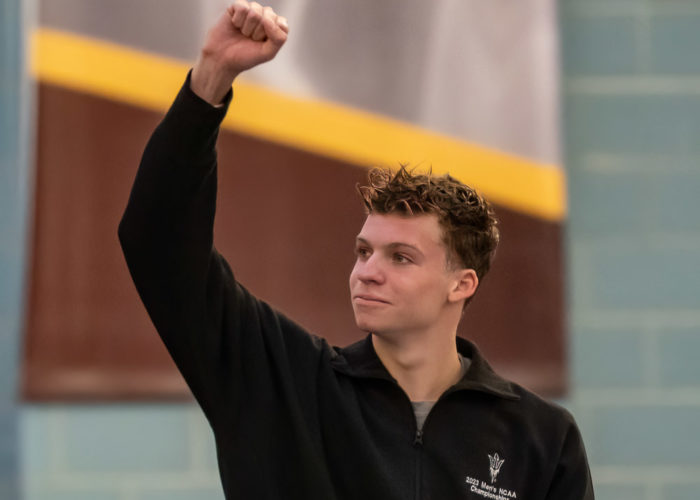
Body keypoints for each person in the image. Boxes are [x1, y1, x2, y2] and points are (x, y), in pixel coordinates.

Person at [118, 2, 594, 499]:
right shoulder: (285, 385)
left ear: (462, 283)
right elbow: (158, 244)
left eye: (400, 258)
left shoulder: (541, 439)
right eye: (364, 252)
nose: (367, 272)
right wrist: (212, 74)